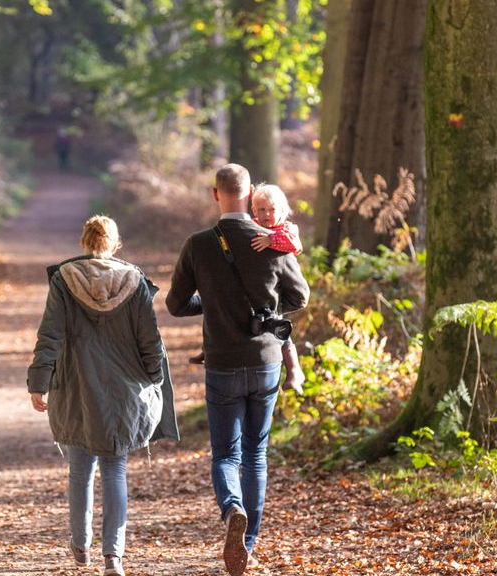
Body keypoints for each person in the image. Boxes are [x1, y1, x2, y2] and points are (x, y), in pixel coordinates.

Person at [166, 164, 310, 576]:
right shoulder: (271, 240)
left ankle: (232, 511)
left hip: (224, 363)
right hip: (266, 363)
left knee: (226, 454)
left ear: (216, 195)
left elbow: (176, 305)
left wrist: (211, 305)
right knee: (256, 454)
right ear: (250, 197)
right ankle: (247, 544)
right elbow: (298, 296)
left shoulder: (198, 245)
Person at [27, 215, 179, 576]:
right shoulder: (135, 281)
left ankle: (80, 545)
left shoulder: (65, 281)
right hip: (125, 391)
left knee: (80, 472)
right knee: (115, 469)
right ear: (115, 243)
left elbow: (50, 335)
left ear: (84, 242)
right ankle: (114, 555)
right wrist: (156, 380)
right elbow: (150, 340)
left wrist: (39, 381)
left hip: (78, 386)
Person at [189, 183, 307, 394]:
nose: (267, 215)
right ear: (253, 210)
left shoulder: (286, 229)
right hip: (253, 292)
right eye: (261, 210)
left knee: (281, 331)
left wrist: (270, 239)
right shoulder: (252, 226)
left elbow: (295, 244)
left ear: (282, 211)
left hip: (273, 294)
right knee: (224, 313)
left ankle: (295, 370)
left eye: (272, 210)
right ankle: (207, 349)